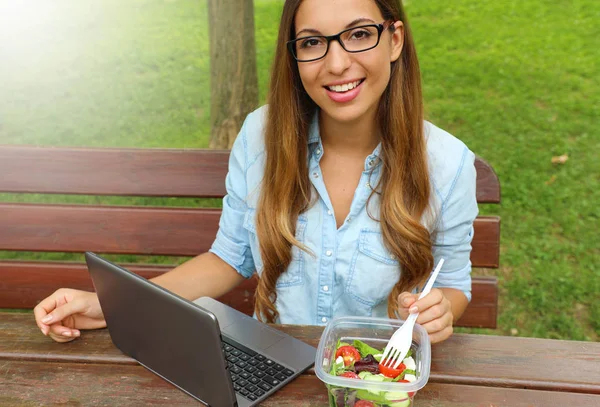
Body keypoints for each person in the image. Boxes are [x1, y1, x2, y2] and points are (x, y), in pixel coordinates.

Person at [34, 0, 478, 345]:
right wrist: (113, 306)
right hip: (274, 369)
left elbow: (453, 283)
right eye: (311, 42)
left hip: (380, 379)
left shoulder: (448, 163)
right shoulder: (260, 136)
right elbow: (229, 257)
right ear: (294, 54)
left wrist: (441, 311)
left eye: (359, 35)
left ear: (395, 40)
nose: (337, 63)